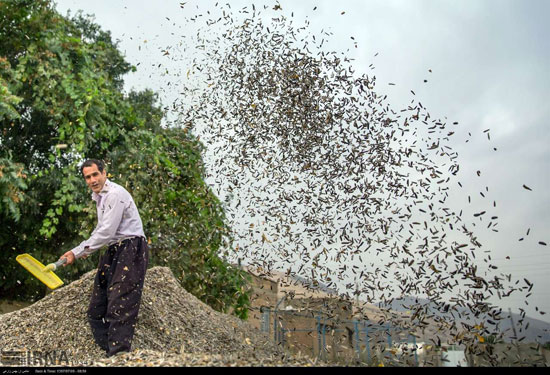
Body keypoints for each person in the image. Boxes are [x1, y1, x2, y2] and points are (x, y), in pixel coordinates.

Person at [59, 159, 149, 357]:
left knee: (120, 302)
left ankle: (119, 355)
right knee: (96, 308)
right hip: (113, 248)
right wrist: (79, 250)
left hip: (131, 247)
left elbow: (107, 232)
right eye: (87, 177)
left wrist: (79, 251)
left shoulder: (115, 194)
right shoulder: (99, 198)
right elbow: (101, 230)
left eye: (95, 175)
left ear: (104, 173)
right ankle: (108, 352)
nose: (92, 180)